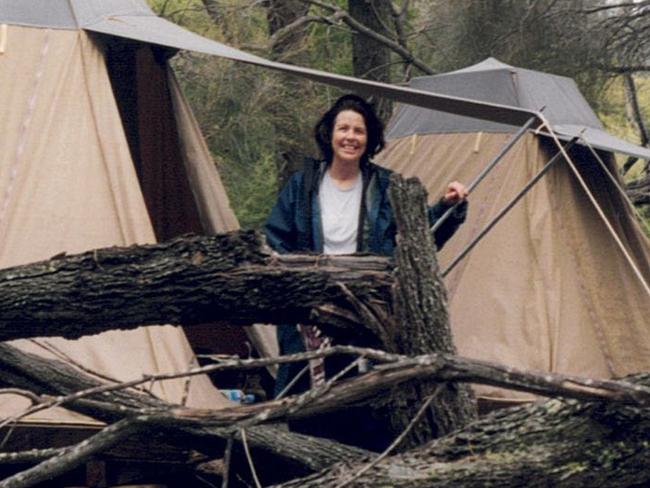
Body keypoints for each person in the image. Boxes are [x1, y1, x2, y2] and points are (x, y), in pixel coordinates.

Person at [263, 94, 467, 446]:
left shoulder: (386, 186)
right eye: (343, 128)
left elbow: (417, 239)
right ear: (329, 134)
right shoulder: (302, 185)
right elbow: (274, 239)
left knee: (364, 404)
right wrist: (296, 286)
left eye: (359, 130)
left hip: (366, 309)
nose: (350, 137)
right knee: (307, 406)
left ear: (369, 139)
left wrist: (448, 207)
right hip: (310, 312)